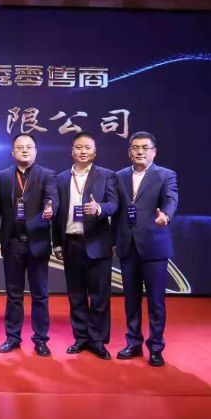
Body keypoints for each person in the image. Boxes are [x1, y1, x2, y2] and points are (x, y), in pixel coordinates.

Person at [0, 133, 57, 357]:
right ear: (12, 152)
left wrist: (50, 208)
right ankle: (12, 337)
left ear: (35, 151)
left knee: (40, 294)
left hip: (37, 243)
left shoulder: (47, 175)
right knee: (14, 295)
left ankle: (40, 339)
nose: (24, 150)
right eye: (20, 147)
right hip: (12, 243)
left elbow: (52, 198)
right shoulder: (1, 177)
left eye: (29, 147)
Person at [114, 131, 178, 367]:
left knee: (156, 302)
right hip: (127, 246)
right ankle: (133, 343)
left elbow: (171, 199)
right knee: (131, 300)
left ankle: (156, 347)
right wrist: (114, 240)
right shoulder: (119, 176)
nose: (140, 151)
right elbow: (117, 211)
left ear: (154, 152)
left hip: (154, 246)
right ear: (129, 152)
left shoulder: (166, 175)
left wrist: (166, 215)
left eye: (145, 148)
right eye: (135, 148)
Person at [52, 132, 119, 360]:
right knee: (76, 295)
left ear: (95, 152)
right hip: (71, 243)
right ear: (72, 151)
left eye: (87, 147)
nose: (83, 151)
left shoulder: (107, 176)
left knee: (99, 296)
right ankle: (80, 338)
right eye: (78, 147)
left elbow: (114, 204)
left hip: (97, 243)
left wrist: (99, 208)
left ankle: (97, 341)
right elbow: (56, 214)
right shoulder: (61, 178)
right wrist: (57, 243)